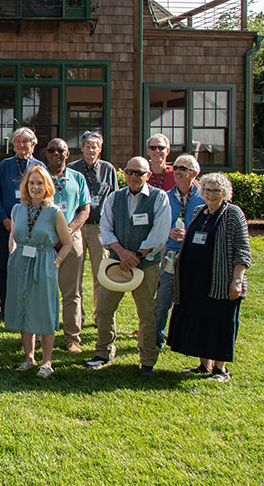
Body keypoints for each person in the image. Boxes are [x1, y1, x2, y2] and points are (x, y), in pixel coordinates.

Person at [86, 156, 172, 376]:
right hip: (117, 263)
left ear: (148, 175)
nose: (134, 177)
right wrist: (123, 253)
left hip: (146, 265)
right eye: (130, 172)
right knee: (104, 309)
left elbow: (160, 233)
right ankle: (103, 352)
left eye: (139, 173)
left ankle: (147, 360)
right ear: (124, 173)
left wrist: (138, 254)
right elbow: (106, 229)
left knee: (146, 314)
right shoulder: (114, 198)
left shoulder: (159, 198)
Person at [168, 173, 250, 381]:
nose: (211, 194)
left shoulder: (233, 214)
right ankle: (204, 365)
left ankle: (220, 369)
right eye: (207, 190)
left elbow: (242, 250)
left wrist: (237, 280)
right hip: (194, 278)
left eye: (216, 191)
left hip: (220, 279)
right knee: (200, 319)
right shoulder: (198, 211)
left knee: (219, 321)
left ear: (225, 193)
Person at [6, 165, 73, 378]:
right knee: (23, 308)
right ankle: (28, 357)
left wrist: (56, 263)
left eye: (40, 183)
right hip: (20, 263)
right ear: (26, 186)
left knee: (44, 311)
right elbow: (13, 235)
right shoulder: (17, 209)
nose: (35, 187)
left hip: (44, 263)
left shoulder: (54, 212)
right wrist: (12, 255)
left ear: (47, 187)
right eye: (32, 183)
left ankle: (47, 361)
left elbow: (67, 243)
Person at [0, 127, 45, 323]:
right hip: (7, 226)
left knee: (31, 266)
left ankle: (29, 306)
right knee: (6, 267)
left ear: (33, 143)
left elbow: (45, 195)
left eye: (25, 141)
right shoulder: (5, 165)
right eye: (18, 142)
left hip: (32, 227)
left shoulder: (39, 166)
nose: (21, 145)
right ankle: (5, 308)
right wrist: (4, 219)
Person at [44, 138, 91, 353]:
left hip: (71, 240)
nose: (55, 154)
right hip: (44, 241)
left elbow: (84, 209)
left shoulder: (78, 178)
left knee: (71, 291)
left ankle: (72, 337)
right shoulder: (39, 176)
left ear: (67, 154)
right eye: (51, 150)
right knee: (42, 290)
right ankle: (40, 333)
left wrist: (69, 231)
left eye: (59, 150)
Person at [154, 154, 204, 348]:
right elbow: (156, 225)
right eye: (176, 168)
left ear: (194, 173)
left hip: (194, 256)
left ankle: (186, 339)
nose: (178, 172)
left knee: (191, 301)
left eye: (183, 168)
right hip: (170, 255)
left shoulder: (204, 197)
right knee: (162, 301)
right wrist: (168, 232)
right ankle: (156, 339)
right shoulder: (165, 197)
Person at [68, 131, 118, 318]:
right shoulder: (72, 170)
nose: (91, 150)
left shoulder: (108, 169)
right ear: (82, 148)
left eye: (95, 146)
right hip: (78, 227)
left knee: (101, 274)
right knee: (76, 274)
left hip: (99, 228)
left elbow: (114, 199)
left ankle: (100, 314)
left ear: (100, 148)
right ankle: (77, 315)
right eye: (87, 146)